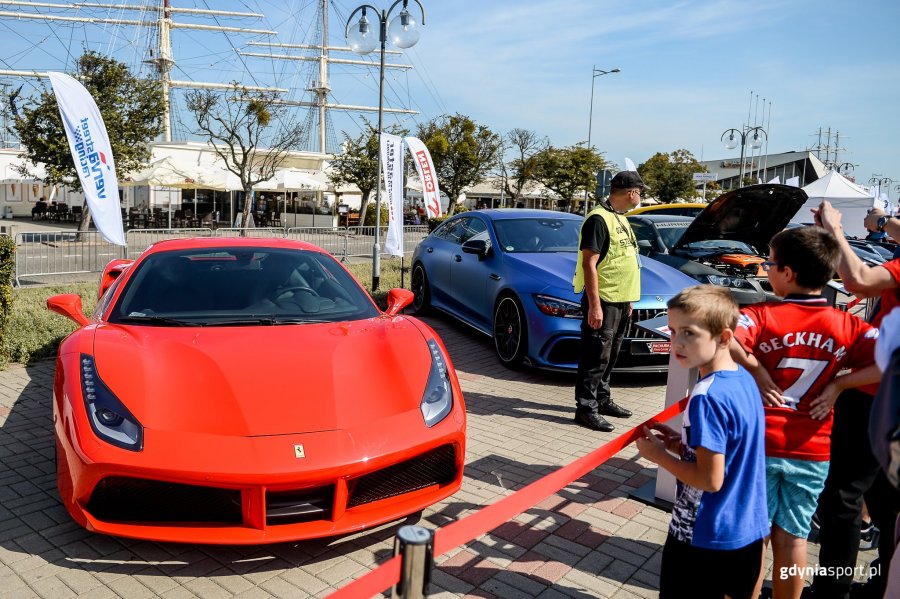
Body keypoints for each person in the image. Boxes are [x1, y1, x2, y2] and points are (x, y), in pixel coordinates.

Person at [730, 226, 881, 599]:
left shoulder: (760, 315)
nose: (766, 268)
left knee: (752, 541)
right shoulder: (849, 324)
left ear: (788, 273)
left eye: (770, 262)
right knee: (793, 538)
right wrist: (839, 384)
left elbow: (726, 338)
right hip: (812, 450)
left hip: (759, 446)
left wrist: (757, 370)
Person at [636, 285, 769, 599]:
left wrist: (658, 456)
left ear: (724, 338)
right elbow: (731, 450)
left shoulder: (706, 398)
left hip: (703, 535)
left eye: (689, 333)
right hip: (745, 528)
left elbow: (710, 479)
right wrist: (679, 444)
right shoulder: (744, 381)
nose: (676, 343)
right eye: (672, 332)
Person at [808, 202, 900, 599]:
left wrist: (834, 230)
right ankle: (883, 582)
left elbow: (859, 279)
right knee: (885, 498)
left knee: (843, 497)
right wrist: (880, 221)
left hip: (874, 396)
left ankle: (833, 589)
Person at [572, 171, 644, 432]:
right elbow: (589, 263)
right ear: (631, 192)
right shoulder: (599, 219)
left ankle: (602, 400)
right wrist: (594, 305)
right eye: (640, 191)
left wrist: (628, 300)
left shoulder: (619, 218)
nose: (641, 196)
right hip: (604, 300)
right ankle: (586, 409)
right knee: (595, 357)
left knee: (610, 355)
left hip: (620, 300)